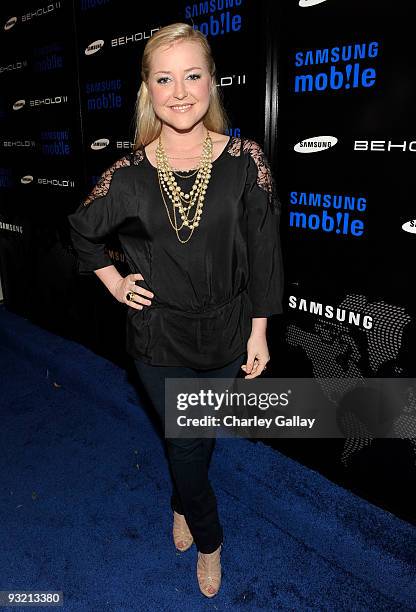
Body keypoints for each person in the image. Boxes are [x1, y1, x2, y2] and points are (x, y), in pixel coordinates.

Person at [67, 22, 284, 598]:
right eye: (165, 79)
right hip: (157, 337)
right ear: (148, 91)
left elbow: (264, 253)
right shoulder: (129, 174)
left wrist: (258, 333)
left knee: (195, 439)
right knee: (187, 442)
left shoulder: (244, 161)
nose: (180, 91)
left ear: (213, 82)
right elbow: (82, 235)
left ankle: (182, 499)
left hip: (226, 333)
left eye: (193, 75)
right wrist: (115, 285)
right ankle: (210, 540)